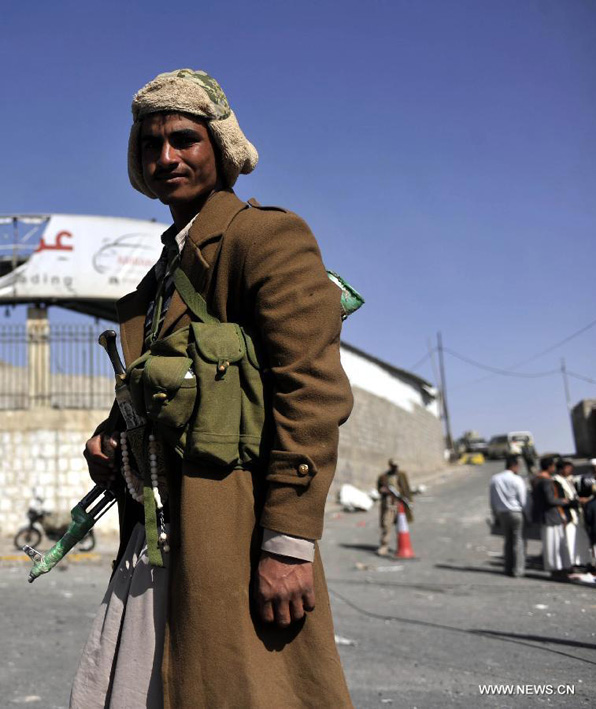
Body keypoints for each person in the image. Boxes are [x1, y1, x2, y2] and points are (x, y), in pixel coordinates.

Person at [72, 69, 355, 708]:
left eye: (183, 139)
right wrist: (111, 433)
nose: (165, 157)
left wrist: (287, 543)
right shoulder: (160, 276)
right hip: (157, 536)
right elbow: (167, 387)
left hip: (233, 531)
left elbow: (310, 393)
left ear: (220, 147)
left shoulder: (264, 238)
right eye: (151, 144)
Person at [531, 456, 573, 579]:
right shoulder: (545, 481)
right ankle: (558, 569)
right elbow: (550, 499)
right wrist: (564, 501)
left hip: (545, 517)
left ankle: (557, 568)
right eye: (553, 466)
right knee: (555, 544)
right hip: (552, 517)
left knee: (551, 544)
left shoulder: (537, 480)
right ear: (549, 467)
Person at [489, 455, 527, 577]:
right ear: (514, 466)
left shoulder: (495, 479)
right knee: (518, 541)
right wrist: (527, 513)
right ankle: (518, 569)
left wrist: (495, 514)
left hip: (502, 513)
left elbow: (492, 499)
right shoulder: (517, 480)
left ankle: (508, 567)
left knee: (508, 541)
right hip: (516, 512)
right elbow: (523, 499)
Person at [554, 459, 591, 568]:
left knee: (581, 539)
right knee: (570, 539)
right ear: (561, 469)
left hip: (576, 513)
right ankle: (572, 563)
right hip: (568, 514)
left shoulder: (568, 480)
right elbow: (561, 499)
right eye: (567, 468)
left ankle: (583, 561)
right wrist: (577, 501)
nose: (570, 471)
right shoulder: (556, 481)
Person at [376, 459, 412, 556]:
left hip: (400, 505)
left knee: (401, 527)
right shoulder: (383, 477)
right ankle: (384, 546)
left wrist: (409, 501)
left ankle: (401, 547)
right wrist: (383, 490)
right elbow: (379, 489)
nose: (395, 468)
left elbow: (407, 489)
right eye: (393, 466)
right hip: (389, 505)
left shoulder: (402, 475)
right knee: (386, 525)